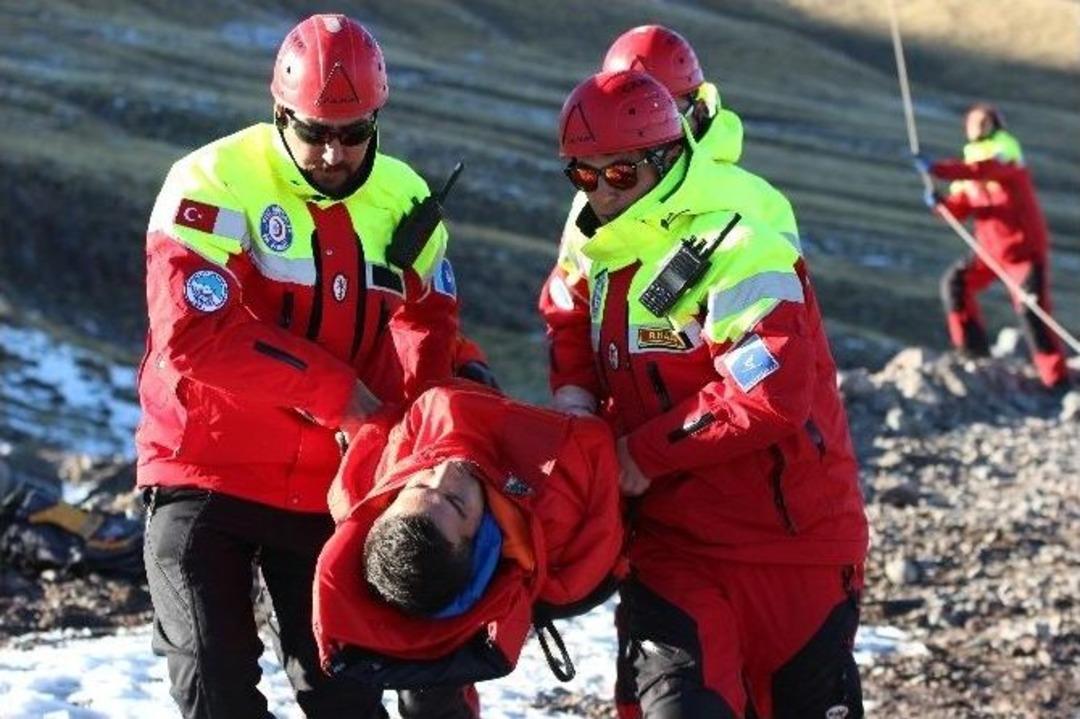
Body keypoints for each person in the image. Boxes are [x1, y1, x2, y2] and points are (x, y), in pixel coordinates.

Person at [137, 14, 489, 718]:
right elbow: (193, 335)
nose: (334, 152)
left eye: (353, 132)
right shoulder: (210, 180)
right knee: (213, 683)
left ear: (376, 121)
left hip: (332, 488)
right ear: (279, 112)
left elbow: (429, 328)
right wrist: (339, 393)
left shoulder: (405, 198)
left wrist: (427, 425)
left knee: (347, 695)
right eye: (314, 131)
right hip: (204, 470)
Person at [539, 69, 869, 718]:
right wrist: (575, 405)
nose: (602, 193)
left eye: (620, 174)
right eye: (584, 175)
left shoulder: (742, 245)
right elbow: (567, 321)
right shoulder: (604, 252)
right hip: (669, 548)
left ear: (664, 158)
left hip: (789, 545)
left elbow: (770, 392)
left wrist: (643, 454)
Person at [312, 382, 624, 707]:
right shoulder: (560, 513)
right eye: (456, 501)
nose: (446, 471)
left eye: (419, 481)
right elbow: (597, 448)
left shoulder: (372, 476)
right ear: (481, 541)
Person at [916, 102, 1069, 389]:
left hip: (1023, 250)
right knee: (956, 285)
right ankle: (973, 353)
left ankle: (1057, 380)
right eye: (974, 121)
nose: (977, 125)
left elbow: (984, 170)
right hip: (989, 251)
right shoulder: (969, 165)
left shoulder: (1006, 150)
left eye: (984, 120)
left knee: (1032, 311)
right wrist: (940, 205)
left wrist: (939, 168)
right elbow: (960, 206)